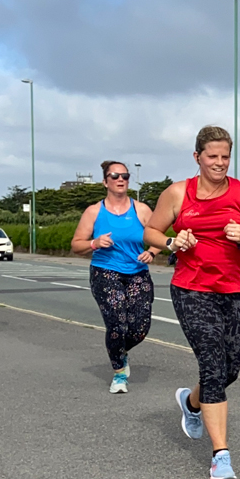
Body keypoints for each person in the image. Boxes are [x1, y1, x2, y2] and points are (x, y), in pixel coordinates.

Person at [143, 125, 240, 479]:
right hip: (192, 288)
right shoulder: (177, 193)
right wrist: (173, 241)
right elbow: (151, 232)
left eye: (225, 157)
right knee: (213, 366)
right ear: (197, 156)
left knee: (228, 370)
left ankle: (191, 404)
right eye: (212, 156)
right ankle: (221, 456)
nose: (219, 163)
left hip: (237, 290)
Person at [71, 161, 162, 394]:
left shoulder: (141, 209)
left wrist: (151, 252)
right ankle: (119, 372)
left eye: (125, 176)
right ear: (105, 181)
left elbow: (159, 237)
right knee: (116, 323)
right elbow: (76, 245)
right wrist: (94, 243)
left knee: (140, 327)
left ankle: (119, 351)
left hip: (137, 272)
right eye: (114, 176)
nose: (120, 179)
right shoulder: (94, 211)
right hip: (105, 272)